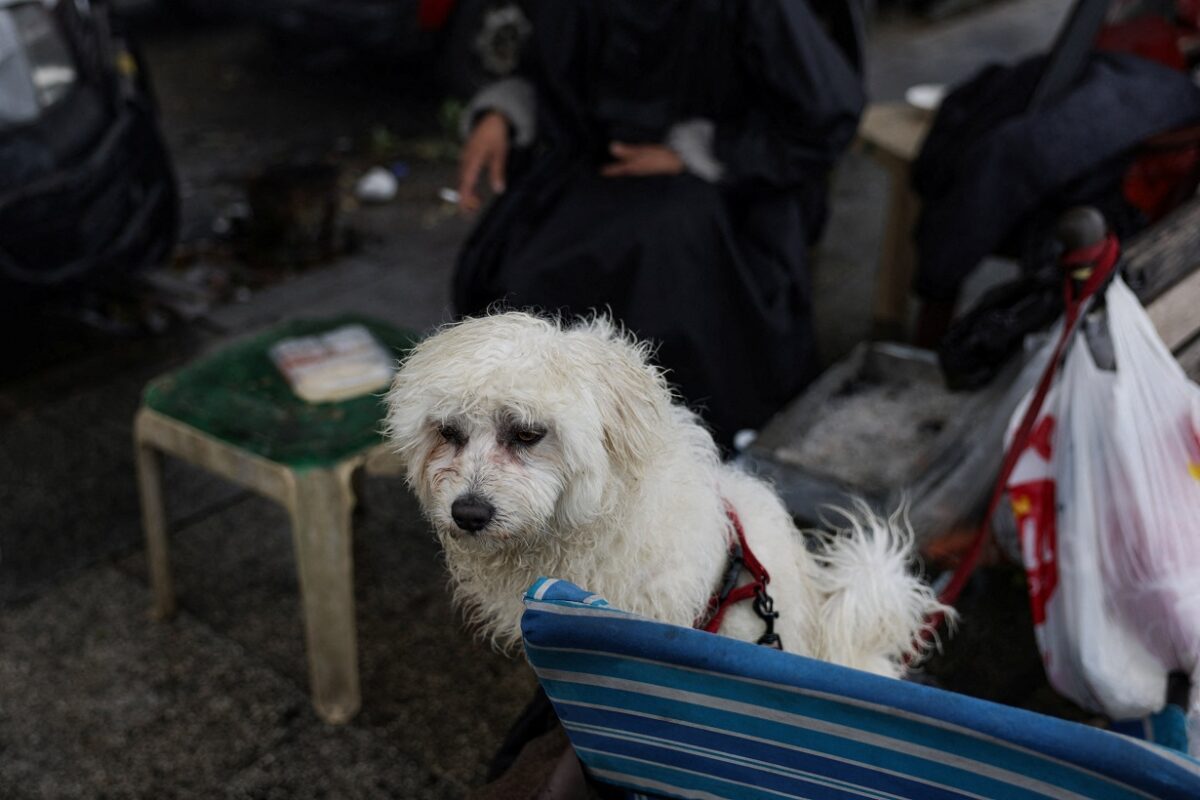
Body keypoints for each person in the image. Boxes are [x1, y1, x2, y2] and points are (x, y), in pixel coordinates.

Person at [453, 0, 864, 447]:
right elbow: (550, 68)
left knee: (666, 307)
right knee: (522, 287)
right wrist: (504, 111)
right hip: (592, 173)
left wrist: (700, 151)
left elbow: (826, 113)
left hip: (722, 194)